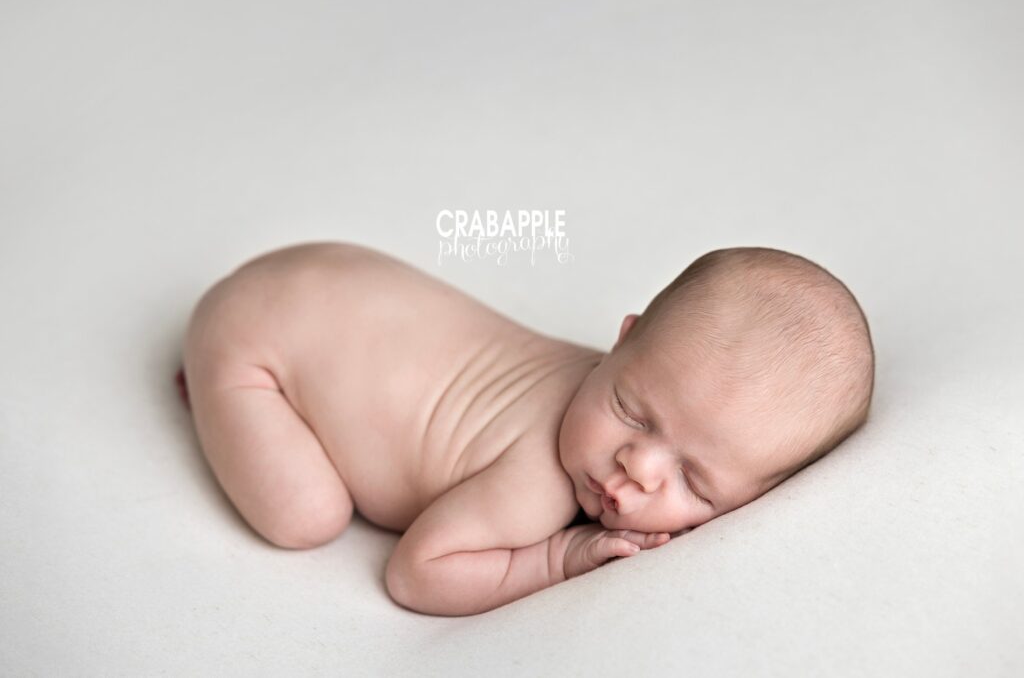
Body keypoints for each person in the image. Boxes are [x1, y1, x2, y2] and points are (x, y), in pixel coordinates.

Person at [177, 242, 874, 616]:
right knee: (305, 516)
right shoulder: (534, 484)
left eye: (694, 481)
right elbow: (416, 575)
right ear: (622, 341)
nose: (636, 468)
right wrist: (559, 559)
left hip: (334, 271)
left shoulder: (631, 379)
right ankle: (218, 375)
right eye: (632, 411)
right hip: (261, 330)